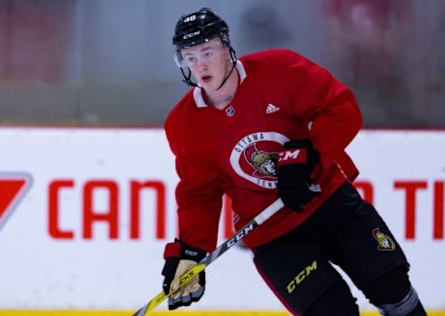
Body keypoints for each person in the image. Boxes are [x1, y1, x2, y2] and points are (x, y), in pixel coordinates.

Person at [160, 7, 427, 316]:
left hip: (330, 202)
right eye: (190, 58)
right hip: (275, 236)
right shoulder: (184, 124)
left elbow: (340, 108)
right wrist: (191, 251)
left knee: (394, 291)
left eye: (207, 52)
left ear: (226, 47)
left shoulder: (280, 69)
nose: (200, 65)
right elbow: (199, 193)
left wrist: (310, 152)